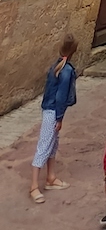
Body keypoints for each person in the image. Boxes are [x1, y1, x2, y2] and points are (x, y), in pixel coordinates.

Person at [29, 33, 77, 202]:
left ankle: (51, 177)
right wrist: (60, 117)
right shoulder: (67, 70)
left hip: (48, 110)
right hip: (53, 112)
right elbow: (61, 97)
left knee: (53, 144)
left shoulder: (56, 66)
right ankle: (34, 186)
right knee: (44, 145)